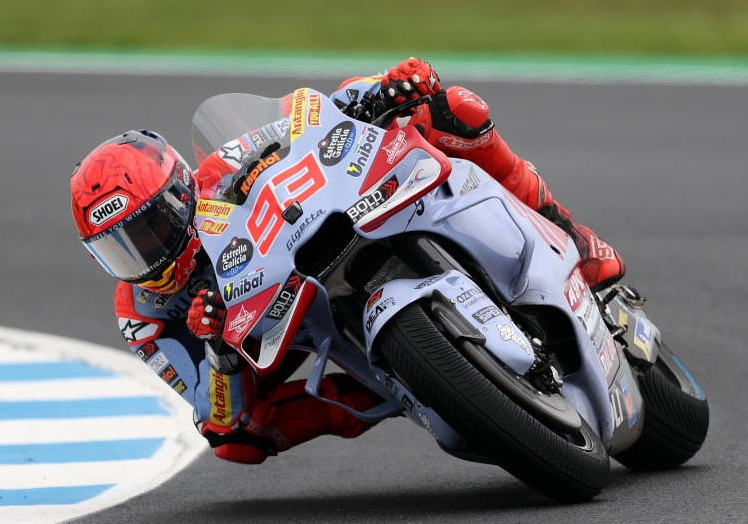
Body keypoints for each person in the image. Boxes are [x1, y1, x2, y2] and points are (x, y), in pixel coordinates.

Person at [69, 59, 625, 465]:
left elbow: (312, 111)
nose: (147, 254)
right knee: (238, 441)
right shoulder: (142, 312)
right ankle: (386, 391)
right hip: (269, 338)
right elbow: (212, 413)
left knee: (453, 109)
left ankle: (574, 236)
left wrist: (384, 88)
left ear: (180, 195)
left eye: (150, 229)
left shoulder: (222, 169)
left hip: (324, 232)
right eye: (119, 248)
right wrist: (219, 353)